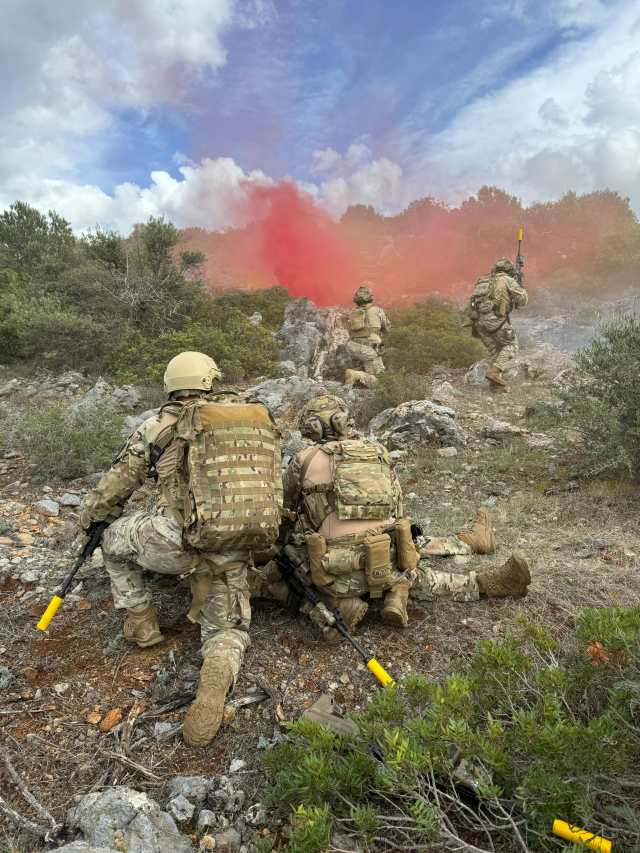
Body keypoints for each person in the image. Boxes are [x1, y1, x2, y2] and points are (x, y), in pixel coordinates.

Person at [75, 352, 281, 748]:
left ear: (172, 384)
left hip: (179, 543)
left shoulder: (157, 425)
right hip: (237, 545)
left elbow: (115, 488)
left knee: (113, 541)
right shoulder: (246, 422)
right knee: (227, 629)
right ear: (210, 381)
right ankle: (219, 663)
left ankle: (142, 624)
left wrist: (89, 521)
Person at [262, 392, 531, 642]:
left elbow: (282, 512)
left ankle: (359, 598)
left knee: (279, 568)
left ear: (313, 428)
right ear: (345, 421)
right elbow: (397, 514)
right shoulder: (379, 453)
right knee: (419, 575)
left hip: (332, 577)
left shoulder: (303, 460)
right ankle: (488, 582)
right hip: (386, 566)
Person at [468, 257, 528, 392]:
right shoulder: (507, 280)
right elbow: (522, 300)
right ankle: (494, 373)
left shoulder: (483, 280)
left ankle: (495, 386)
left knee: (496, 351)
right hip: (494, 320)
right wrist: (522, 285)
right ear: (510, 271)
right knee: (511, 344)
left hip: (478, 322)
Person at [344, 284, 390, 389]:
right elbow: (387, 329)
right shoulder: (377, 311)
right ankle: (356, 375)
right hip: (369, 350)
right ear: (370, 298)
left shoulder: (354, 312)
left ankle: (358, 372)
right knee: (380, 381)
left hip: (352, 349)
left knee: (367, 362)